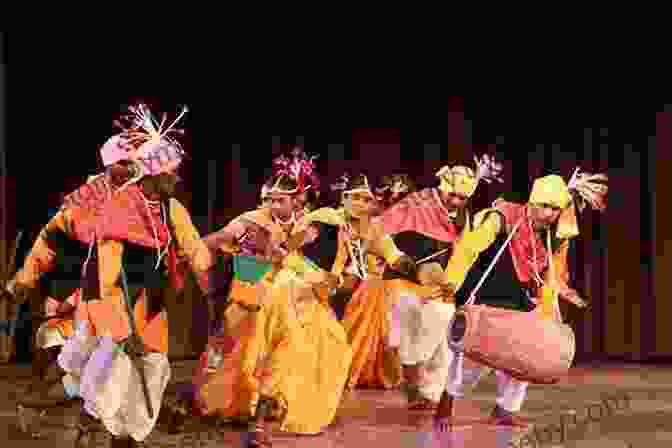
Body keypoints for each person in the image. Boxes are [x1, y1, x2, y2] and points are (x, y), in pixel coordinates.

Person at [4, 103, 225, 447]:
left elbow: (196, 252)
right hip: (99, 293)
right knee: (96, 362)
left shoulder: (167, 206)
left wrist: (207, 287)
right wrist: (24, 279)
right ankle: (88, 420)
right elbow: (54, 238)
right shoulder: (98, 199)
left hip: (147, 299)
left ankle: (119, 427)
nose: (126, 167)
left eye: (131, 161)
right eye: (120, 162)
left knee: (146, 367)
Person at [169, 149, 352, 448]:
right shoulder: (253, 220)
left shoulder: (310, 224)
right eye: (268, 198)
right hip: (250, 288)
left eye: (280, 200)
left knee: (294, 349)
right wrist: (193, 247)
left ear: (297, 200)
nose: (271, 205)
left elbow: (310, 262)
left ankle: (261, 422)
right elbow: (222, 237)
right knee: (229, 349)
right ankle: (189, 401)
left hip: (289, 295)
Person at [438, 168, 607, 427]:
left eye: (556, 208)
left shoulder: (555, 235)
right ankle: (447, 401)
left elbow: (553, 272)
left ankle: (506, 410)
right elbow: (471, 246)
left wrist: (554, 301)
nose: (550, 214)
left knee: (523, 355)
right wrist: (452, 278)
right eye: (546, 206)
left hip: (521, 298)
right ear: (532, 202)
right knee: (471, 361)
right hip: (488, 292)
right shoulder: (503, 216)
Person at [377, 156, 503, 412]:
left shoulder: (462, 215)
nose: (456, 202)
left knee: (443, 323)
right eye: (453, 195)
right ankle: (412, 380)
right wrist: (394, 256)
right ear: (443, 187)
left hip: (436, 281)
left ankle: (430, 391)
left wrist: (452, 283)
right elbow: (379, 229)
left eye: (463, 198)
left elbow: (464, 252)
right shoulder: (417, 202)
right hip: (402, 277)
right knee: (404, 335)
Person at [339, 173, 417, 389]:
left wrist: (408, 265)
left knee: (371, 330)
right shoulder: (335, 220)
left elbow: (393, 254)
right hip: (343, 283)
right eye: (358, 199)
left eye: (367, 200)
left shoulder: (376, 227)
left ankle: (357, 372)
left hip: (369, 286)